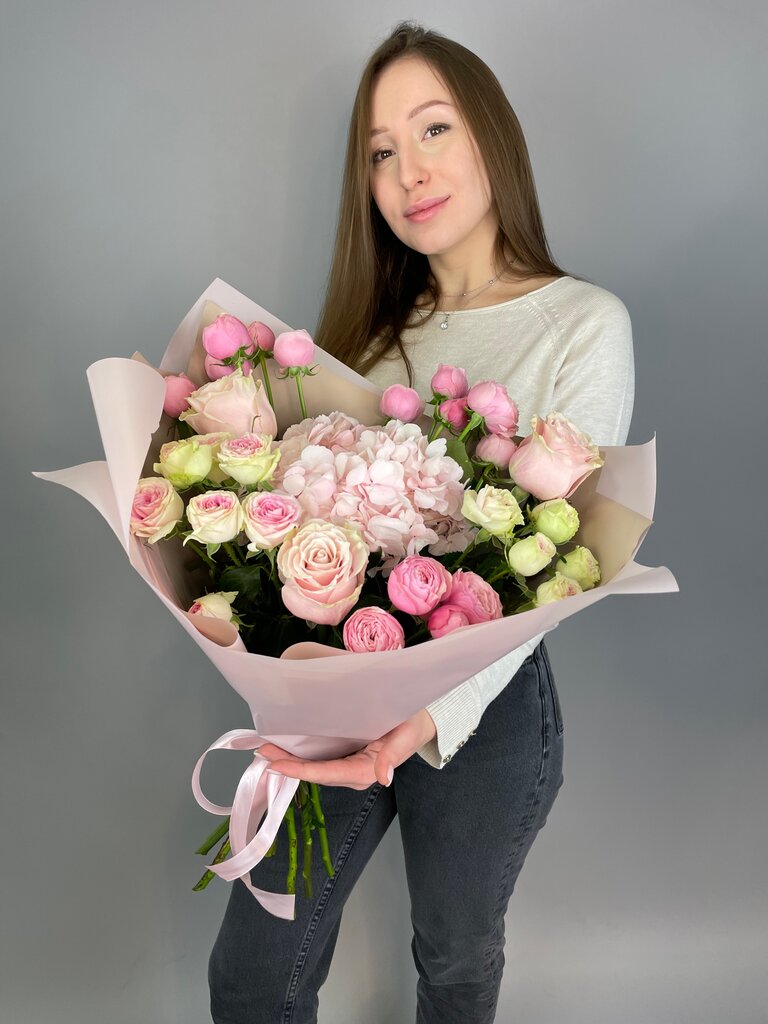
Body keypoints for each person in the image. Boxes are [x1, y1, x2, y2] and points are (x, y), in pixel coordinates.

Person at [208, 20, 634, 1024]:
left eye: (434, 128)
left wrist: (423, 721)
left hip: (488, 703)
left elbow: (559, 567)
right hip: (341, 682)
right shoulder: (365, 341)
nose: (409, 172)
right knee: (255, 974)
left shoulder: (584, 324)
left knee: (454, 957)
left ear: (492, 135)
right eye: (381, 152)